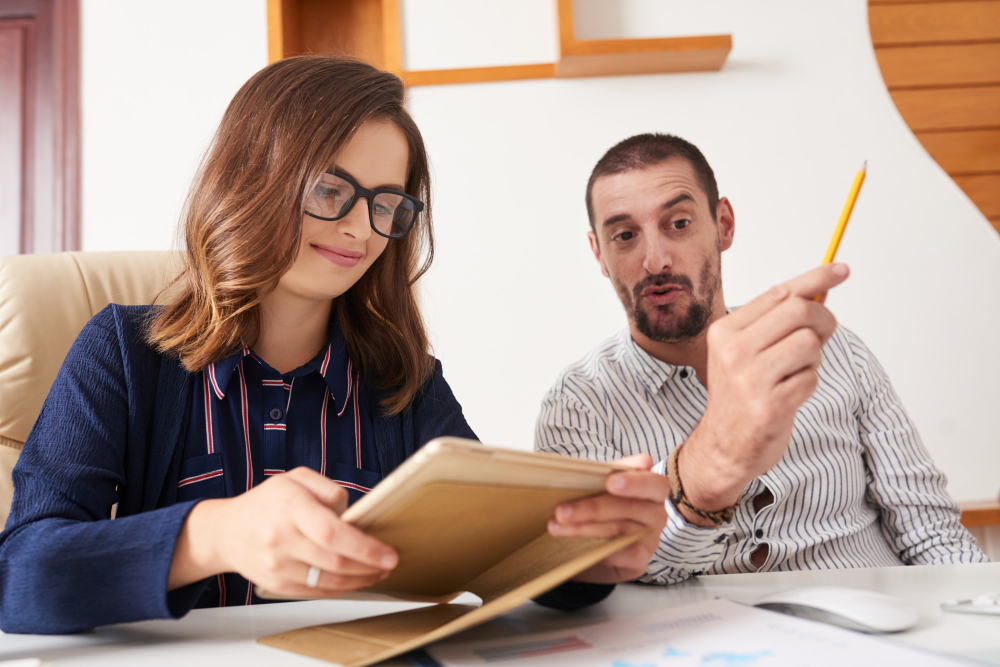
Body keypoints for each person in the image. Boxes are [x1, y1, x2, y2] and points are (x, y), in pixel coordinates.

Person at [0, 58, 671, 634]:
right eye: (330, 189)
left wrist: (588, 559)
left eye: (387, 203)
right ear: (252, 177)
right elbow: (22, 573)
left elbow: (491, 552)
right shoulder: (121, 351)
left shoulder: (407, 381)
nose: (360, 227)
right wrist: (212, 534)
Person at [535, 133, 987, 585]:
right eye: (625, 235)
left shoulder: (832, 350)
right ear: (600, 253)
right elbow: (608, 575)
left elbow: (932, 534)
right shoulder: (577, 408)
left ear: (724, 224)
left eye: (678, 224)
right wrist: (707, 473)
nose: (655, 260)